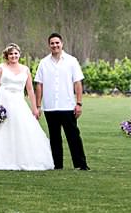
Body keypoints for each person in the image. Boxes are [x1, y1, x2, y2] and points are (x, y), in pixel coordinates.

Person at [0, 43, 54, 170]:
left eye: (16, 53)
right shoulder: (1, 68)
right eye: (11, 54)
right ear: (7, 55)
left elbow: (30, 90)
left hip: (18, 102)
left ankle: (20, 159)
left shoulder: (25, 69)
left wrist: (34, 108)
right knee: (1, 131)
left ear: (19, 55)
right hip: (3, 100)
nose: (13, 56)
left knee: (21, 130)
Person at [34, 33, 90, 170]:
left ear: (62, 44)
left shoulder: (72, 61)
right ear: (49, 45)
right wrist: (38, 105)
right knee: (54, 138)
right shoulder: (43, 63)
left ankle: (81, 165)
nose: (55, 45)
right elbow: (39, 85)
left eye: (57, 43)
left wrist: (79, 103)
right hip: (50, 107)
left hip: (68, 106)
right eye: (52, 43)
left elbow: (77, 83)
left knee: (73, 137)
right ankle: (57, 165)